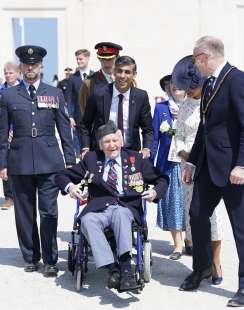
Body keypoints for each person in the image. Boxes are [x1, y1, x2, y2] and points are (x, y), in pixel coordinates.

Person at [55, 120, 169, 291]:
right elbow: (62, 176)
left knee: (121, 214)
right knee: (87, 221)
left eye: (115, 140)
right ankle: (113, 270)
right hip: (98, 208)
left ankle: (125, 269)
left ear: (121, 141)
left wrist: (154, 192)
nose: (112, 145)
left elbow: (162, 179)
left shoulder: (135, 159)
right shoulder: (92, 159)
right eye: (107, 142)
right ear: (100, 145)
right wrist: (70, 187)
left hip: (126, 207)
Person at [178, 36, 244, 307]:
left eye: (196, 60)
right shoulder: (208, 85)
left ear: (204, 56)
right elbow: (205, 129)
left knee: (241, 229)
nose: (195, 66)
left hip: (233, 171)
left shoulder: (237, 79)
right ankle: (202, 268)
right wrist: (192, 162)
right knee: (196, 215)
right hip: (207, 167)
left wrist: (242, 164)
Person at [0, 45, 76, 277]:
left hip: (49, 161)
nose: (30, 68)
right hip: (20, 161)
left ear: (41, 67)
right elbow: (2, 133)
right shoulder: (8, 95)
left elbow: (64, 128)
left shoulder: (54, 93)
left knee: (49, 212)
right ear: (21, 67)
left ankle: (51, 259)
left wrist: (70, 161)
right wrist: (2, 163)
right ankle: (31, 256)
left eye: (34, 64)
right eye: (26, 64)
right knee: (24, 212)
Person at [173, 55, 223, 284]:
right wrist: (188, 156)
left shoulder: (214, 101)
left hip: (211, 166)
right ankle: (200, 265)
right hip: (189, 169)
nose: (189, 92)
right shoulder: (184, 106)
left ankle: (216, 264)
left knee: (212, 219)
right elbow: (179, 137)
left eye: (192, 88)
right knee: (193, 218)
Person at [80, 55, 153, 160]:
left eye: (127, 72)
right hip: (102, 154)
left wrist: (146, 148)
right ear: (114, 72)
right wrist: (85, 148)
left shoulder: (141, 96)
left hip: (130, 154)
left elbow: (148, 129)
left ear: (134, 74)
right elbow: (85, 125)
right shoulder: (98, 94)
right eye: (119, 71)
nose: (122, 76)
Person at [152, 74, 185, 260]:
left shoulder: (194, 107)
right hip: (168, 163)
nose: (174, 86)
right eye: (171, 84)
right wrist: (151, 168)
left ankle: (190, 241)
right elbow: (155, 138)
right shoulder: (161, 108)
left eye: (178, 83)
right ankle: (178, 245)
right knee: (173, 203)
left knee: (190, 203)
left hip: (189, 163)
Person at [79, 42, 123, 115]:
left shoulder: (126, 80)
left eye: (110, 59)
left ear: (117, 58)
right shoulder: (89, 83)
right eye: (102, 59)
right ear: (99, 58)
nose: (106, 63)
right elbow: (85, 111)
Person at [0, 62, 21, 210]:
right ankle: (9, 196)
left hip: (20, 130)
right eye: (6, 73)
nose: (8, 75)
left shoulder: (23, 89)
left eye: (10, 72)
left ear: (18, 73)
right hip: (3, 131)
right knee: (4, 162)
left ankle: (20, 194)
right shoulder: (1, 90)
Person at [66, 49, 93, 150]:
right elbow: (69, 99)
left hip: (94, 117)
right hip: (78, 118)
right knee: (81, 146)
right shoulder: (73, 78)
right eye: (77, 59)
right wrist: (70, 116)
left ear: (87, 58)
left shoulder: (95, 76)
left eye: (81, 59)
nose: (78, 61)